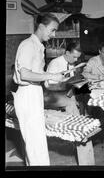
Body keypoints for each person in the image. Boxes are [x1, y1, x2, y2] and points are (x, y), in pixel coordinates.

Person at [12, 13, 65, 166]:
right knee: (35, 145)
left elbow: (36, 74)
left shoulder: (39, 46)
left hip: (35, 93)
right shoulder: (28, 45)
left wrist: (54, 77)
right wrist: (49, 74)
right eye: (52, 30)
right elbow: (25, 74)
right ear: (41, 27)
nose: (54, 34)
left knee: (37, 143)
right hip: (27, 94)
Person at [44, 42, 82, 115]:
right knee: (71, 104)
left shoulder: (71, 63)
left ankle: (77, 119)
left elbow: (71, 82)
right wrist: (66, 83)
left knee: (82, 94)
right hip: (50, 93)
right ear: (67, 53)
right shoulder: (55, 63)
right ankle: (75, 123)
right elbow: (50, 86)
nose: (76, 59)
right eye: (74, 57)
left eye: (78, 57)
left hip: (64, 92)